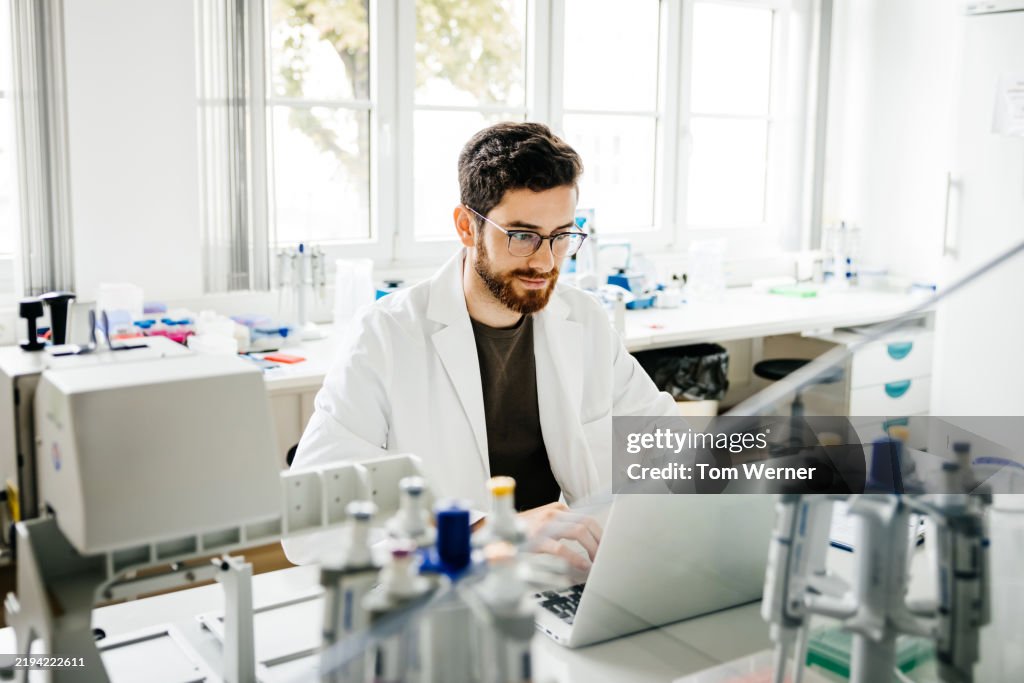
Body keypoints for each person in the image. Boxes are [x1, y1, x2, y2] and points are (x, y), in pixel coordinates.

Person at [283, 122, 677, 569]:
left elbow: (665, 451)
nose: (545, 261)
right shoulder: (385, 336)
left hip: (567, 572)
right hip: (454, 579)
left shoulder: (583, 320)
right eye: (523, 235)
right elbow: (311, 530)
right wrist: (486, 532)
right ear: (467, 227)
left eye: (563, 235)